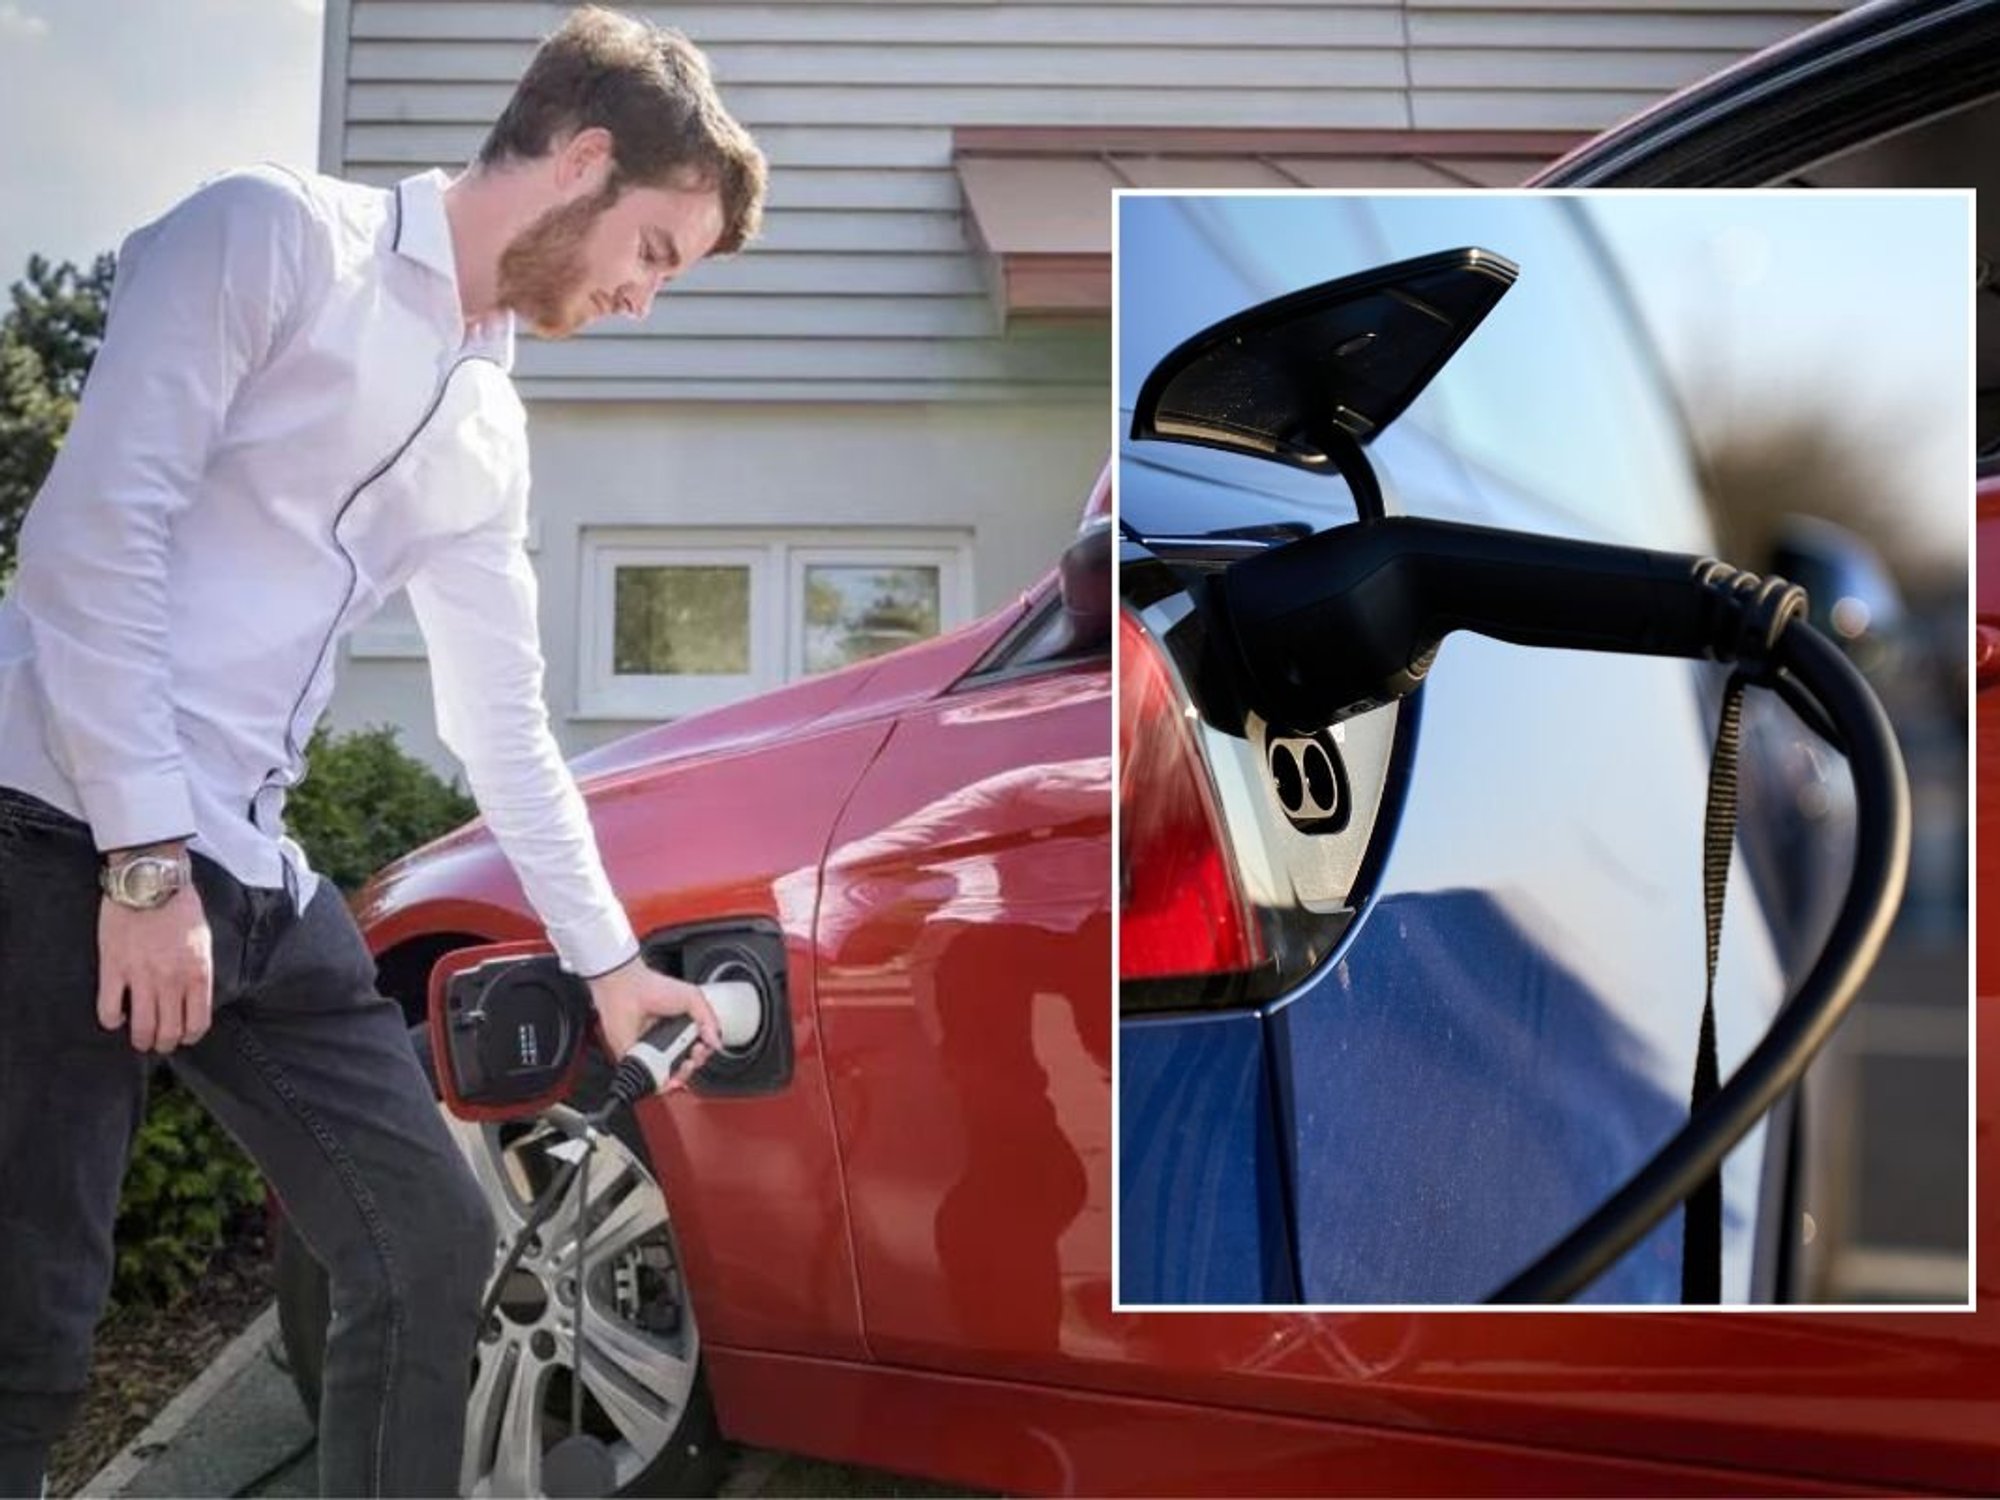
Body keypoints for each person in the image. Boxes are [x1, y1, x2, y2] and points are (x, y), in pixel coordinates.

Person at [0, 7, 767, 1495]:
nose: (644, 298)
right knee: (27, 1325)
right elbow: (93, 541)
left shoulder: (487, 420)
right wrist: (141, 863)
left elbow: (502, 723)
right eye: (657, 253)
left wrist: (611, 965)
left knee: (429, 1237)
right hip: (56, 819)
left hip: (240, 865)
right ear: (586, 160)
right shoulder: (273, 237)